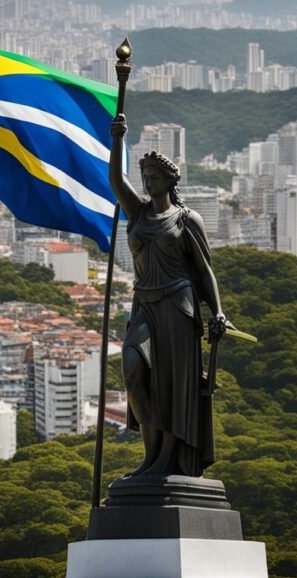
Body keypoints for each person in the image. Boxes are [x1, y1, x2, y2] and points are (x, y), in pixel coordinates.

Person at [109, 113, 229, 477]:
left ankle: (167, 461)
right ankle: (150, 455)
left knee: (174, 386)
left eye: (154, 177)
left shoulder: (186, 219)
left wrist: (218, 312)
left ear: (169, 180)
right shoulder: (137, 212)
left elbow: (204, 269)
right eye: (145, 178)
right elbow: (115, 180)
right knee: (133, 372)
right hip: (144, 303)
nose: (147, 183)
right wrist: (118, 139)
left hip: (179, 304)